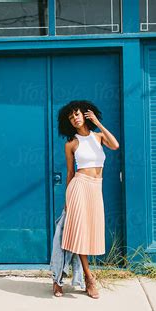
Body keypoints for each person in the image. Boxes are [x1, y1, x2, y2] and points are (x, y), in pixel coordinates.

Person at [53, 100, 120, 299]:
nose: (74, 118)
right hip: (79, 187)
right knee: (77, 235)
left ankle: (67, 279)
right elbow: (70, 173)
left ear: (85, 115)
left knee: (88, 234)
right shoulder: (71, 144)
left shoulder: (98, 137)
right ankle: (89, 279)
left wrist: (98, 123)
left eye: (77, 114)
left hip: (95, 189)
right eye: (70, 117)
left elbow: (115, 145)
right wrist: (67, 199)